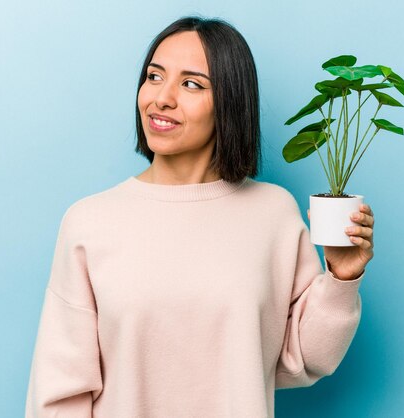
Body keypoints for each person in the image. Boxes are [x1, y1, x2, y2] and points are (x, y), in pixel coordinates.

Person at [24, 16, 374, 418]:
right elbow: (59, 390)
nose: (162, 98)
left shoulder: (272, 212)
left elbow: (302, 358)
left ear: (230, 102)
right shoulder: (89, 221)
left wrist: (342, 279)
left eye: (191, 83)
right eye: (154, 76)